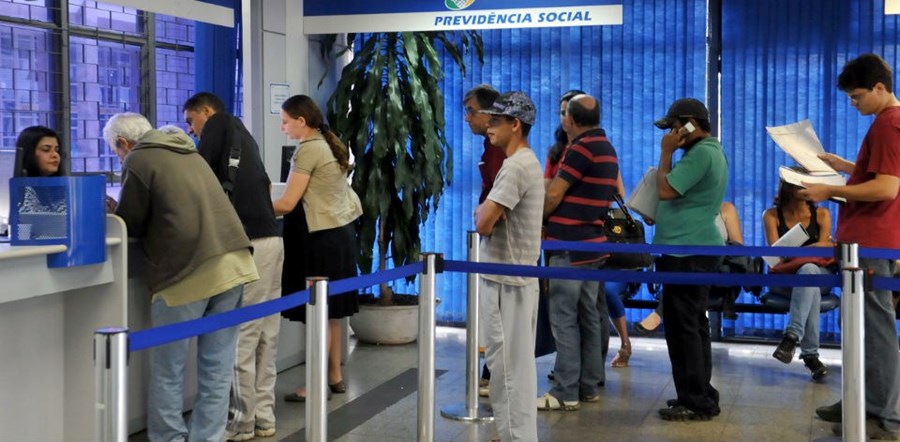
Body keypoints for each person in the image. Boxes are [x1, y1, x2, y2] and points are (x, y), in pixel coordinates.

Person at [104, 113, 259, 442]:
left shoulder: (138, 158)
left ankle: (168, 437)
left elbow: (130, 222)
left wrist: (113, 212)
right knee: (217, 366)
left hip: (187, 269)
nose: (119, 158)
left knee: (169, 368)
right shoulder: (189, 153)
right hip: (233, 263)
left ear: (123, 143)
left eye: (115, 151)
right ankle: (207, 437)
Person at [799, 53, 900, 440]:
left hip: (873, 241)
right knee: (858, 326)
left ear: (880, 88)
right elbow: (880, 175)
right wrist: (845, 167)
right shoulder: (885, 123)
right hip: (866, 239)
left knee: (875, 330)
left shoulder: (889, 124)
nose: (853, 103)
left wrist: (830, 190)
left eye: (857, 96)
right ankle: (861, 400)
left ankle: (882, 416)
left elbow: (886, 188)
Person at [182, 92, 285, 441]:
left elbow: (200, 177)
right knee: (266, 334)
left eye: (191, 121)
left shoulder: (219, 124)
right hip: (272, 239)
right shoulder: (244, 134)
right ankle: (264, 417)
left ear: (206, 111)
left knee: (242, 334)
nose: (192, 130)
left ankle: (241, 421)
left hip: (249, 243)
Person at [273, 94, 363, 403]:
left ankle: (314, 385)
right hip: (339, 236)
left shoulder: (309, 149)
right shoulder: (328, 143)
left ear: (301, 121)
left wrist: (251, 211)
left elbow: (287, 203)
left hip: (319, 240)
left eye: (285, 122)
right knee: (331, 312)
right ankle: (334, 376)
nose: (283, 128)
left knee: (318, 314)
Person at [539, 93, 619, 411]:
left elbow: (554, 194)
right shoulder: (607, 148)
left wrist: (539, 219)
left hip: (569, 247)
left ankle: (564, 391)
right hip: (593, 245)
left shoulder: (580, 148)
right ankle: (588, 386)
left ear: (570, 120)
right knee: (589, 317)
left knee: (564, 320)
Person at [474, 91, 543, 441]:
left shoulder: (515, 166)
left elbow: (483, 222)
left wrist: (483, 212)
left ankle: (517, 437)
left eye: (496, 121)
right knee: (512, 369)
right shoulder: (523, 162)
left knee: (507, 372)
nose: (489, 126)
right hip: (515, 279)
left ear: (515, 125)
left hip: (507, 281)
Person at [652, 98, 727, 421]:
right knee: (693, 325)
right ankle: (697, 393)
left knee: (684, 328)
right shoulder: (709, 152)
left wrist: (665, 153)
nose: (670, 134)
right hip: (688, 248)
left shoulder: (702, 153)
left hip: (687, 250)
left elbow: (666, 191)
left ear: (690, 124)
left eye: (673, 127)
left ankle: (695, 400)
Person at [634, 202, 744, 334]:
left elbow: (738, 250)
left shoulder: (726, 209)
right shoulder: (681, 210)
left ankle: (658, 314)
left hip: (718, 274)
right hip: (688, 270)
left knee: (689, 273)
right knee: (685, 268)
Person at [763, 178, 833, 381]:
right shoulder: (771, 215)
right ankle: (810, 356)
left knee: (809, 271)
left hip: (819, 274)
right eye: (800, 185)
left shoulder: (822, 214)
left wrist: (800, 252)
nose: (805, 189)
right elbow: (775, 256)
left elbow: (824, 251)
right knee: (810, 286)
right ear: (788, 188)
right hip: (785, 278)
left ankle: (791, 337)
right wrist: (810, 250)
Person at [463, 83, 504, 396]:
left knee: (498, 312)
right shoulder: (490, 147)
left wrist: (485, 222)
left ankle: (496, 375)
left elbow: (499, 196)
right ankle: (491, 372)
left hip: (501, 240)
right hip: (490, 235)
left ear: (490, 114)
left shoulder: (501, 151)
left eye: (471, 111)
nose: (467, 118)